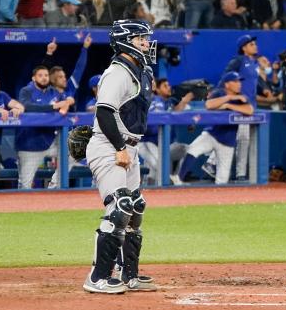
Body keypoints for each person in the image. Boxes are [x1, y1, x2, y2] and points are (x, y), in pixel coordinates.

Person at [83, 20, 157, 294]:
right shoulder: (118, 72)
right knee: (120, 206)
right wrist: (119, 147)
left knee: (135, 207)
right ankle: (98, 277)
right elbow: (104, 111)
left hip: (128, 146)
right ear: (126, 41)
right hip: (109, 145)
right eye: (141, 39)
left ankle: (130, 276)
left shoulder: (140, 71)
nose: (146, 43)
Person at [174, 71, 254, 185]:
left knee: (222, 180)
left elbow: (249, 110)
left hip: (228, 141)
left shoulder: (241, 97)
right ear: (227, 84)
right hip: (212, 134)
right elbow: (209, 105)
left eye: (239, 81)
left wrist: (228, 105)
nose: (239, 84)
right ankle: (178, 180)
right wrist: (229, 97)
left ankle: (216, 199)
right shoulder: (219, 92)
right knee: (192, 150)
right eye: (235, 81)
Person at [14, 66, 73, 190]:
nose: (44, 78)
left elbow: (66, 102)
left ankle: (54, 184)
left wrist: (67, 103)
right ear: (33, 78)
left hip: (50, 142)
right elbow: (26, 106)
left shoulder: (53, 92)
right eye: (40, 75)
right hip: (29, 145)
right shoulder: (26, 90)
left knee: (73, 152)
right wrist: (53, 107)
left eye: (46, 75)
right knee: (25, 186)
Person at [138, 78, 192, 186]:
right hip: (148, 142)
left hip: (164, 145)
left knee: (186, 149)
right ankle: (165, 186)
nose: (169, 88)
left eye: (169, 85)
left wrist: (185, 106)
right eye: (165, 86)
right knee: (159, 165)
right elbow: (154, 126)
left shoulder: (170, 102)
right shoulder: (155, 101)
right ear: (157, 89)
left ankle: (175, 177)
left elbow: (180, 112)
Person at [225, 35, 260, 180]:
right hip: (239, 106)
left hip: (250, 105)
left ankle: (241, 173)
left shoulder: (255, 63)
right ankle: (237, 173)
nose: (255, 46)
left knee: (246, 140)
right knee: (239, 138)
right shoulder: (238, 61)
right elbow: (225, 79)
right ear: (244, 47)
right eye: (251, 44)